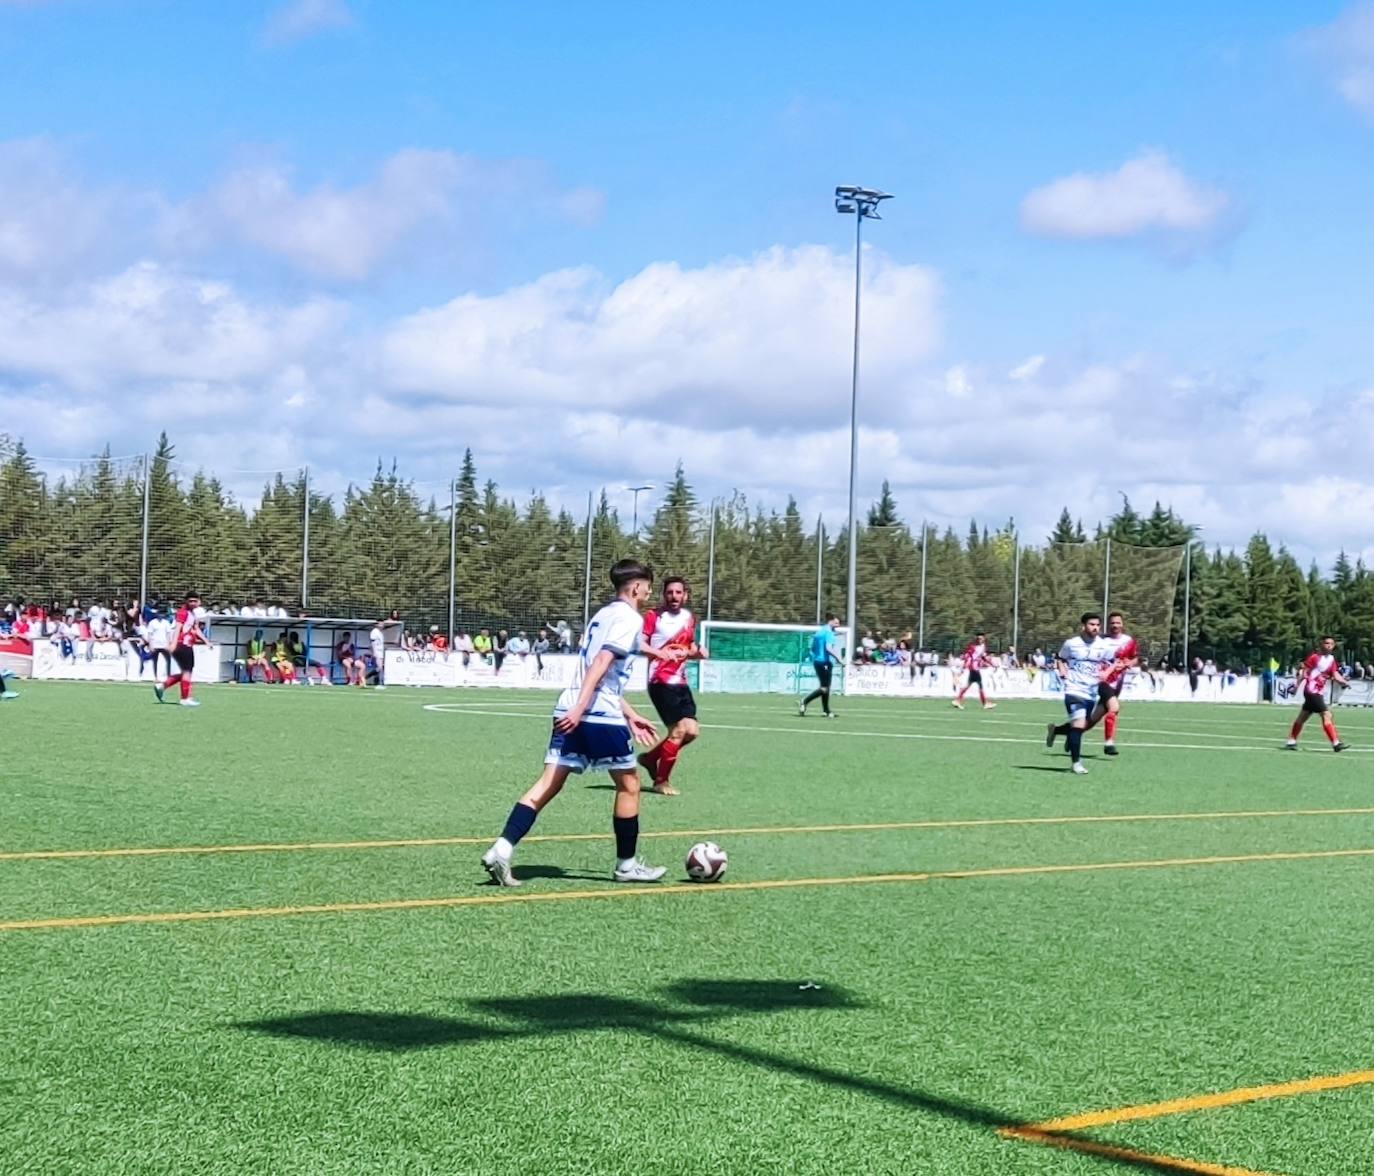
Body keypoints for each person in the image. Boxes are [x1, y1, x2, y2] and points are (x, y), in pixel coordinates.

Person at [481, 560, 664, 887]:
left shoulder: (602, 615)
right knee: (630, 785)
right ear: (636, 587)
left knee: (548, 783)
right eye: (648, 586)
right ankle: (627, 865)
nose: (650, 592)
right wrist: (583, 707)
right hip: (593, 712)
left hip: (571, 704)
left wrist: (629, 712)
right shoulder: (629, 618)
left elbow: (600, 673)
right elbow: (603, 661)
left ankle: (502, 848)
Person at [638, 576, 708, 796]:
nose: (674, 596)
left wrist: (699, 652)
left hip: (681, 681)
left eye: (678, 592)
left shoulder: (689, 618)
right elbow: (639, 644)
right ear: (664, 595)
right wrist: (660, 653)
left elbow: (690, 646)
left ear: (685, 595)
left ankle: (650, 758)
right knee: (678, 730)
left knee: (692, 731)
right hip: (659, 680)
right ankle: (661, 781)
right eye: (670, 592)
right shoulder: (653, 616)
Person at [1044, 612, 1105, 775]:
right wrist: (1063, 670)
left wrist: (1108, 672)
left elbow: (1111, 662)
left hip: (1092, 691)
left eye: (1098, 625)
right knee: (1078, 725)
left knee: (1081, 726)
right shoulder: (1071, 644)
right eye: (1092, 624)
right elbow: (1061, 658)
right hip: (1074, 689)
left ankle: (1055, 731)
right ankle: (1076, 763)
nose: (1095, 628)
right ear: (1083, 626)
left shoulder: (1103, 645)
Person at [1285, 636, 1350, 752]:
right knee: (1326, 715)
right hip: (1312, 691)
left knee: (1302, 717)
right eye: (1326, 643)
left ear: (1334, 646)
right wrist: (1296, 687)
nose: (1328, 645)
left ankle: (1291, 741)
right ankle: (1336, 743)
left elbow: (1335, 675)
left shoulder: (1331, 660)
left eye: (1331, 644)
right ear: (1321, 645)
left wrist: (1344, 682)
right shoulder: (1314, 658)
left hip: (1317, 692)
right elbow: (1303, 673)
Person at [155, 592, 206, 707]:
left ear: (199, 602)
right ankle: (185, 698)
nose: (193, 603)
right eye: (190, 601)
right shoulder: (183, 612)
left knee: (186, 672)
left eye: (195, 601)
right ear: (186, 601)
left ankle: (163, 685)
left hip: (186, 644)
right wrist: (173, 643)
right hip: (182, 644)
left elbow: (195, 629)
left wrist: (206, 641)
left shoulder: (192, 614)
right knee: (187, 671)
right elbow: (178, 628)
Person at [799, 615, 843, 718]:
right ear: (830, 621)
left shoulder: (819, 632)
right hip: (824, 662)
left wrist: (817, 655)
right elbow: (828, 648)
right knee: (824, 688)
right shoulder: (829, 633)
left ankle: (826, 711)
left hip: (817, 662)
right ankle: (804, 701)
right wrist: (839, 659)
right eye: (836, 623)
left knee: (826, 687)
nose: (838, 625)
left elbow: (813, 648)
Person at [952, 631, 996, 710]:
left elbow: (983, 657)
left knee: (969, 685)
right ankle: (985, 704)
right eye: (978, 638)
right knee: (980, 686)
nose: (979, 640)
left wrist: (991, 664)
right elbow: (967, 656)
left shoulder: (983, 646)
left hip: (975, 668)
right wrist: (965, 666)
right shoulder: (973, 646)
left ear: (984, 639)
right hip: (974, 668)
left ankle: (958, 700)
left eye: (981, 638)